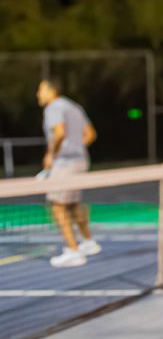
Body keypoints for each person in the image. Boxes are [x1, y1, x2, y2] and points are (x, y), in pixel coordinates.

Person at [37, 78, 99, 267]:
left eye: (40, 90)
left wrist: (51, 155)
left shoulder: (53, 107)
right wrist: (76, 148)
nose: (37, 94)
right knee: (73, 203)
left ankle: (73, 250)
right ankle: (88, 242)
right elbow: (90, 135)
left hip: (64, 163)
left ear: (50, 90)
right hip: (81, 160)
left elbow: (59, 132)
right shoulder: (75, 107)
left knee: (57, 205)